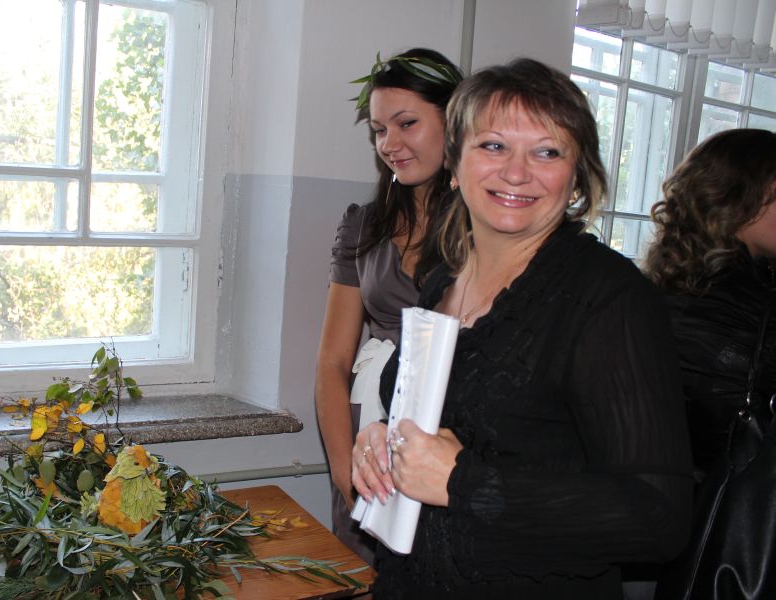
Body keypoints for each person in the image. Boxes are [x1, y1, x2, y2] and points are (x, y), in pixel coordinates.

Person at [351, 58, 693, 598]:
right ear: (454, 162)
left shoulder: (608, 298)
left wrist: (463, 482)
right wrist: (382, 441)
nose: (516, 172)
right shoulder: (443, 279)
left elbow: (657, 517)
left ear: (576, 176)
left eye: (547, 152)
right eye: (493, 146)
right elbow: (441, 425)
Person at [314, 48, 462, 563]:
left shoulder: (487, 230)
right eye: (379, 130)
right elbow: (332, 361)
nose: (390, 144)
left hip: (448, 435)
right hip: (367, 438)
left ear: (455, 121)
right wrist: (343, 473)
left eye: (407, 124)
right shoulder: (364, 225)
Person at [643, 129, 776, 599]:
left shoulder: (661, 288)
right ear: (735, 199)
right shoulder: (746, 309)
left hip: (661, 529)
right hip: (723, 535)